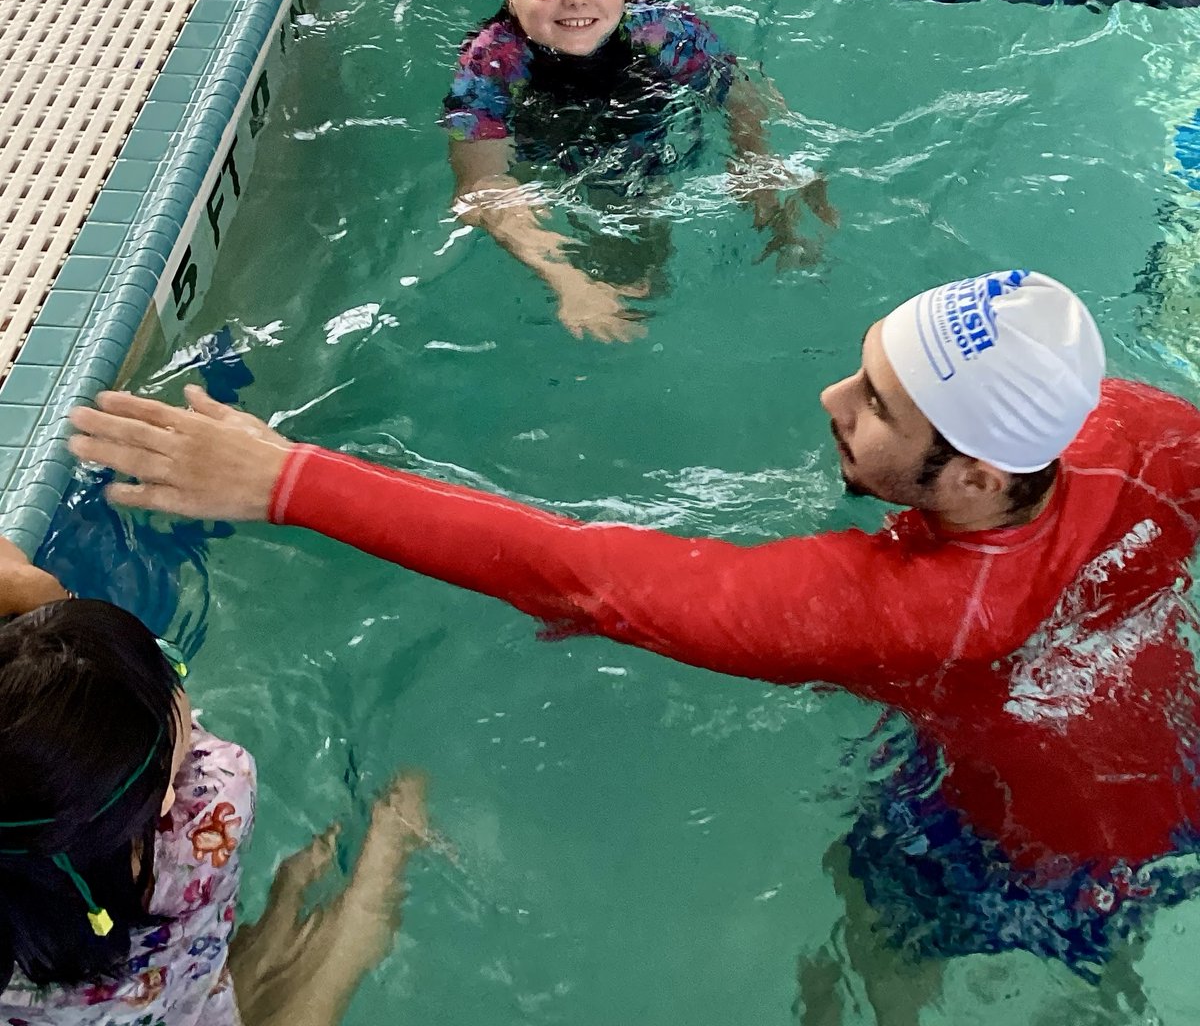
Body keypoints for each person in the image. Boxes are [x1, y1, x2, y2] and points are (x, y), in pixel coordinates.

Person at [68, 270, 1200, 1019]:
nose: (832, 398)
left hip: (1032, 846)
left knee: (874, 937)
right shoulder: (1136, 425)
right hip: (1168, 764)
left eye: (877, 409)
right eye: (865, 371)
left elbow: (583, 578)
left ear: (982, 478)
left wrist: (288, 481)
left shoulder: (916, 610)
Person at [0, 542, 427, 1026]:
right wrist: (49, 600)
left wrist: (29, 665)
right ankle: (373, 879)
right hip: (192, 1005)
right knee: (378, 868)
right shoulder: (214, 800)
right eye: (171, 665)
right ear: (164, 792)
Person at [444, 0, 837, 343]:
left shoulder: (661, 29)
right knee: (562, 232)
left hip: (646, 134)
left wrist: (756, 160)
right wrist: (566, 280)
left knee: (644, 254)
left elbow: (740, 92)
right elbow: (482, 188)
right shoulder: (491, 62)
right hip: (545, 148)